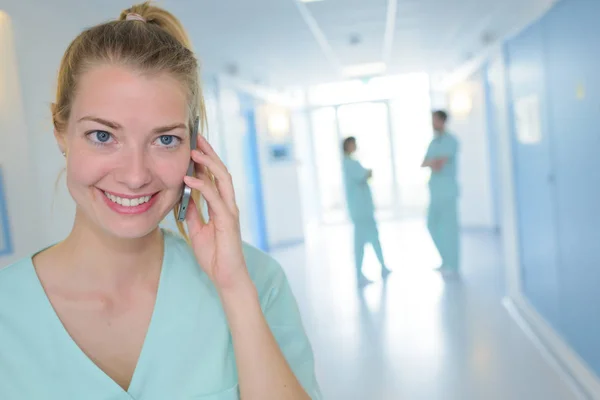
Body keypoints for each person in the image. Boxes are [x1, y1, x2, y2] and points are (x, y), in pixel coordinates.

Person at [0, 3, 321, 399]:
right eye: (103, 136)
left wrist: (235, 289)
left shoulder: (257, 280)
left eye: (165, 139)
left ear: (194, 149)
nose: (135, 175)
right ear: (60, 132)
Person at [342, 136, 391, 286]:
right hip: (360, 210)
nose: (355, 146)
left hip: (363, 209)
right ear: (347, 146)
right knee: (361, 243)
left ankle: (382, 266)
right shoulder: (349, 163)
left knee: (373, 238)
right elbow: (365, 175)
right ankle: (360, 274)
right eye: (353, 144)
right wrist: (368, 172)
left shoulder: (352, 162)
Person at [421, 110, 460, 278]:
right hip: (435, 191)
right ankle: (445, 260)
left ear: (443, 121)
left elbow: (437, 164)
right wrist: (434, 162)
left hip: (448, 192)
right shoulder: (434, 142)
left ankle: (453, 264)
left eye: (435, 120)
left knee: (450, 229)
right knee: (432, 225)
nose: (432, 123)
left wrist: (434, 162)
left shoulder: (451, 141)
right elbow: (424, 163)